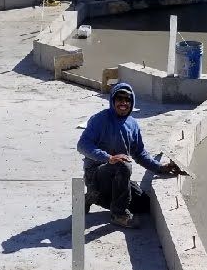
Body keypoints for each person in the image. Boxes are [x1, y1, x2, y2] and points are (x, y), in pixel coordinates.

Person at [77, 80, 179, 226]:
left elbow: (139, 153)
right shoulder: (99, 120)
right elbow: (82, 145)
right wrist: (108, 158)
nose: (123, 103)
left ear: (132, 103)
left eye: (127, 99)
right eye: (119, 99)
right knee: (123, 165)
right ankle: (118, 214)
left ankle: (93, 198)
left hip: (118, 177)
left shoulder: (132, 124)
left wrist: (160, 168)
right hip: (97, 175)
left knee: (144, 205)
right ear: (112, 101)